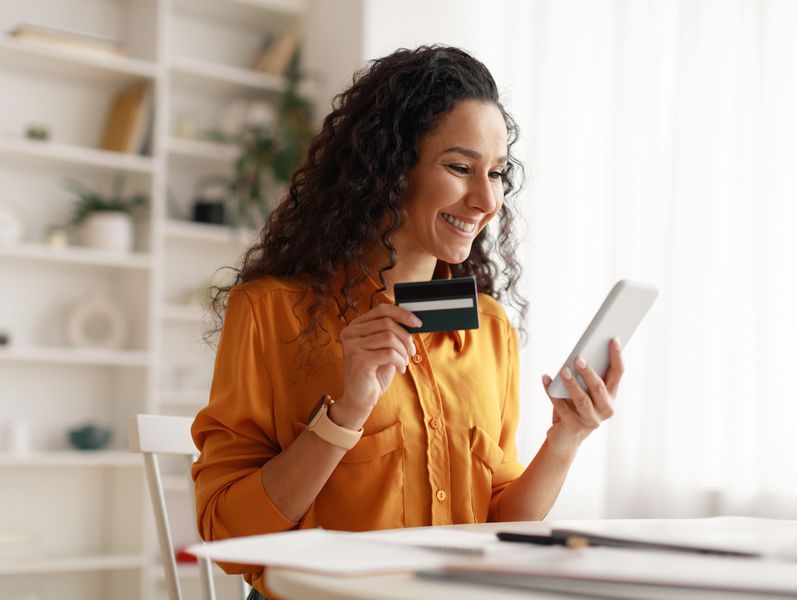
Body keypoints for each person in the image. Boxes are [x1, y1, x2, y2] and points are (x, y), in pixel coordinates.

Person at [191, 45, 624, 599]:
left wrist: (567, 438)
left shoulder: (489, 329)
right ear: (389, 169)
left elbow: (501, 524)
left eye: (496, 173)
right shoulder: (270, 312)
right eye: (460, 168)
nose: (486, 199)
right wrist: (346, 414)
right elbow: (228, 534)